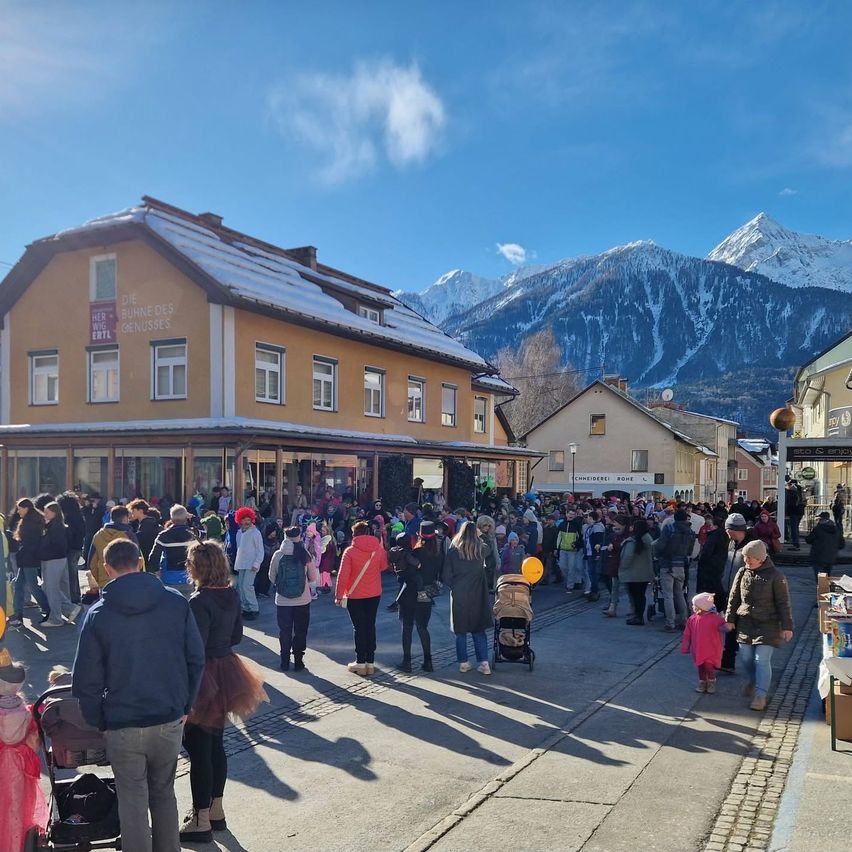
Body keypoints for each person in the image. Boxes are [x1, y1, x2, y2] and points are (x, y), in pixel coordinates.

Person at [72, 539, 205, 852]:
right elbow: (196, 659)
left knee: (131, 801)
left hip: (122, 721)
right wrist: (185, 704)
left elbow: (86, 680)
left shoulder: (98, 614)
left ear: (107, 569)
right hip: (168, 714)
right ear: (141, 562)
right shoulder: (175, 602)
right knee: (164, 793)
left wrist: (99, 719)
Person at [180, 540, 267, 842]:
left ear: (199, 567)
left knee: (198, 749)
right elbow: (237, 635)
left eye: (190, 562)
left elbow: (195, 647)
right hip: (226, 668)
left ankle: (200, 819)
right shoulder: (229, 593)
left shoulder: (198, 600)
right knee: (215, 744)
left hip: (203, 674)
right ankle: (215, 811)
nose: (187, 566)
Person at [724, 539, 794, 711]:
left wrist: (787, 626)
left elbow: (783, 603)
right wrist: (729, 619)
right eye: (745, 557)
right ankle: (754, 679)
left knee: (761, 659)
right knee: (746, 658)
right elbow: (734, 597)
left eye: (750, 558)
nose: (746, 560)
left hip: (768, 625)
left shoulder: (776, 576)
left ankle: (760, 695)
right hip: (746, 623)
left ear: (760, 558)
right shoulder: (742, 572)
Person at [0, 649, 49, 852]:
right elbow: (33, 741)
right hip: (20, 764)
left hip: (4, 763)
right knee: (18, 808)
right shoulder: (26, 710)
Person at [335, 520, 388, 676]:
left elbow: (343, 575)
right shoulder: (378, 549)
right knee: (370, 625)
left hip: (355, 595)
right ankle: (370, 661)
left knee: (359, 628)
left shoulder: (350, 551)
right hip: (374, 593)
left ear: (354, 534)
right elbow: (384, 566)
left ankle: (360, 661)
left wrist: (339, 595)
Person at [445, 520, 492, 675]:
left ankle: (463, 662)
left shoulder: (453, 552)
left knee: (460, 630)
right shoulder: (481, 550)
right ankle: (484, 663)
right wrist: (481, 535)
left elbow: (446, 576)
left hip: (459, 593)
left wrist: (454, 586)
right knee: (479, 629)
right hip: (478, 594)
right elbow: (489, 547)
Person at [269, 527, 319, 671]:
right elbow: (313, 577)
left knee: (284, 631)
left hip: (282, 601)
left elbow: (271, 577)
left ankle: (284, 661)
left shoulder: (278, 555)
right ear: (299, 537)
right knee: (300, 631)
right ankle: (298, 661)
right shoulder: (304, 554)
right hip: (303, 600)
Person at [398, 521, 441, 672]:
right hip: (427, 594)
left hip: (409, 593)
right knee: (423, 628)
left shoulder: (415, 553)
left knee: (407, 627)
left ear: (420, 536)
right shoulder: (437, 555)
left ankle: (407, 662)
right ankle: (428, 662)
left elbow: (405, 574)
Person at [8, 498, 50, 627]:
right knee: (19, 585)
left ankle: (48, 609)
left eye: (20, 509)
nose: (18, 511)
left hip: (28, 559)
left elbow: (30, 543)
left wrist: (22, 553)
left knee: (31, 586)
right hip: (28, 558)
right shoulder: (33, 520)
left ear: (26, 508)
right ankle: (18, 615)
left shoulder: (29, 523)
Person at [40, 501, 81, 627]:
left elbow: (50, 544)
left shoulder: (55, 527)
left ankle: (57, 618)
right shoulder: (56, 526)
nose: (45, 514)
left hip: (53, 559)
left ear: (54, 513)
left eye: (47, 512)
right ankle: (68, 610)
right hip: (58, 559)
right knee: (55, 587)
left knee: (51, 589)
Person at [653, 508, 693, 632]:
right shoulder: (690, 531)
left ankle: (670, 623)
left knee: (668, 596)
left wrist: (657, 554)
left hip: (667, 564)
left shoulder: (669, 528)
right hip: (681, 565)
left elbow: (660, 545)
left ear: (674, 518)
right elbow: (690, 551)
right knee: (679, 593)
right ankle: (684, 620)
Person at [681, 592, 726, 694]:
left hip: (711, 649)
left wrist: (727, 625)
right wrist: (685, 646)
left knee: (709, 666)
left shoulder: (715, 618)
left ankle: (711, 681)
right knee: (700, 666)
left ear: (702, 607)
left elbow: (724, 627)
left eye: (694, 605)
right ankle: (702, 682)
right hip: (698, 649)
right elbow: (687, 634)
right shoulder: (692, 619)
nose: (692, 607)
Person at [88, 504, 140, 592]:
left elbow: (92, 562)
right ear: (125, 518)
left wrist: (99, 579)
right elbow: (137, 559)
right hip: (127, 581)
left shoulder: (98, 535)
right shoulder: (129, 535)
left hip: (104, 582)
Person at [148, 504, 197, 595]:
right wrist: (193, 517)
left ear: (171, 519)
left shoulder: (163, 535)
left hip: (168, 577)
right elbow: (203, 530)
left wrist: (157, 571)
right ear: (186, 518)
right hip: (189, 576)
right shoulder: (193, 534)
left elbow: (153, 557)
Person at [619, 519, 654, 626]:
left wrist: (623, 566)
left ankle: (638, 617)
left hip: (633, 573)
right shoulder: (648, 539)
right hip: (645, 573)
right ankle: (639, 616)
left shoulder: (633, 541)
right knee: (641, 595)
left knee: (635, 596)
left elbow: (627, 557)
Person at [233, 507, 264, 620]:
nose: (246, 522)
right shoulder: (239, 533)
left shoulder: (255, 533)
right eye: (244, 519)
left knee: (247, 586)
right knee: (241, 586)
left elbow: (260, 550)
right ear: (239, 520)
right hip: (241, 563)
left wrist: (257, 563)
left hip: (251, 564)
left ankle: (254, 608)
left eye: (248, 519)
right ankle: (245, 608)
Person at [696, 515, 729, 611]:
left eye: (711, 525)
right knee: (718, 591)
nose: (709, 527)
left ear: (716, 526)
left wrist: (701, 562)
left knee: (709, 593)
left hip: (709, 569)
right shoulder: (725, 536)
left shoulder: (713, 537)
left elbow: (706, 553)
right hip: (720, 566)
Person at [57, 491, 85, 604]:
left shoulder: (67, 519)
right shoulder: (79, 516)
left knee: (69, 575)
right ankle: (76, 596)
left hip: (70, 548)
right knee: (74, 573)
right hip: (77, 547)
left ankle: (72, 597)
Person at [805, 511, 841, 580]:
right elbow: (841, 544)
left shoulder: (818, 529)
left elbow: (808, 539)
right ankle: (826, 586)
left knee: (820, 579)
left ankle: (821, 586)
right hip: (830, 557)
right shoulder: (836, 529)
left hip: (818, 556)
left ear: (822, 519)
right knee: (827, 578)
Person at [128, 499, 161, 572]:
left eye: (133, 510)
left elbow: (142, 540)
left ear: (140, 511)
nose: (131, 512)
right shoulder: (145, 523)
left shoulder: (148, 524)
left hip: (148, 561)